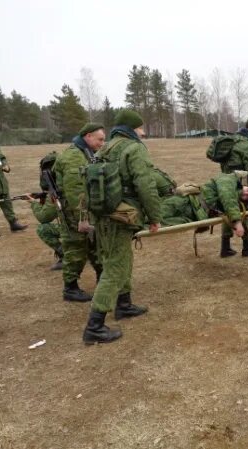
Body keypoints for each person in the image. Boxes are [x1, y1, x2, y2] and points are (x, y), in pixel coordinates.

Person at [82, 110, 161, 345]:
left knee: (119, 259)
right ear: (131, 129)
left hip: (105, 214)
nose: (143, 133)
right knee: (116, 266)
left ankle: (124, 304)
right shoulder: (134, 148)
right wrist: (155, 217)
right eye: (140, 128)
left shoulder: (105, 147)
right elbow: (145, 184)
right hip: (122, 216)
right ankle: (94, 326)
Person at [53, 123, 105, 302]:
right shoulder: (75, 156)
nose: (102, 143)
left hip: (87, 211)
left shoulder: (86, 153)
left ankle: (103, 280)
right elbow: (76, 192)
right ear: (88, 136)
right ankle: (70, 288)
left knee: (96, 247)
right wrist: (83, 218)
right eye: (100, 139)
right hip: (74, 214)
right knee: (76, 250)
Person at [159, 172, 248, 229]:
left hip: (193, 217)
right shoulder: (228, 179)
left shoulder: (236, 205)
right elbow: (227, 196)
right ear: (242, 185)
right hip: (185, 202)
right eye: (247, 190)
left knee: (157, 226)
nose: (246, 193)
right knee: (155, 214)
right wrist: (237, 222)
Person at [219, 116, 248, 258]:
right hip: (239, 183)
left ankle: (225, 248)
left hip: (227, 181)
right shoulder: (247, 143)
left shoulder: (234, 139)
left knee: (228, 211)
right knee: (247, 213)